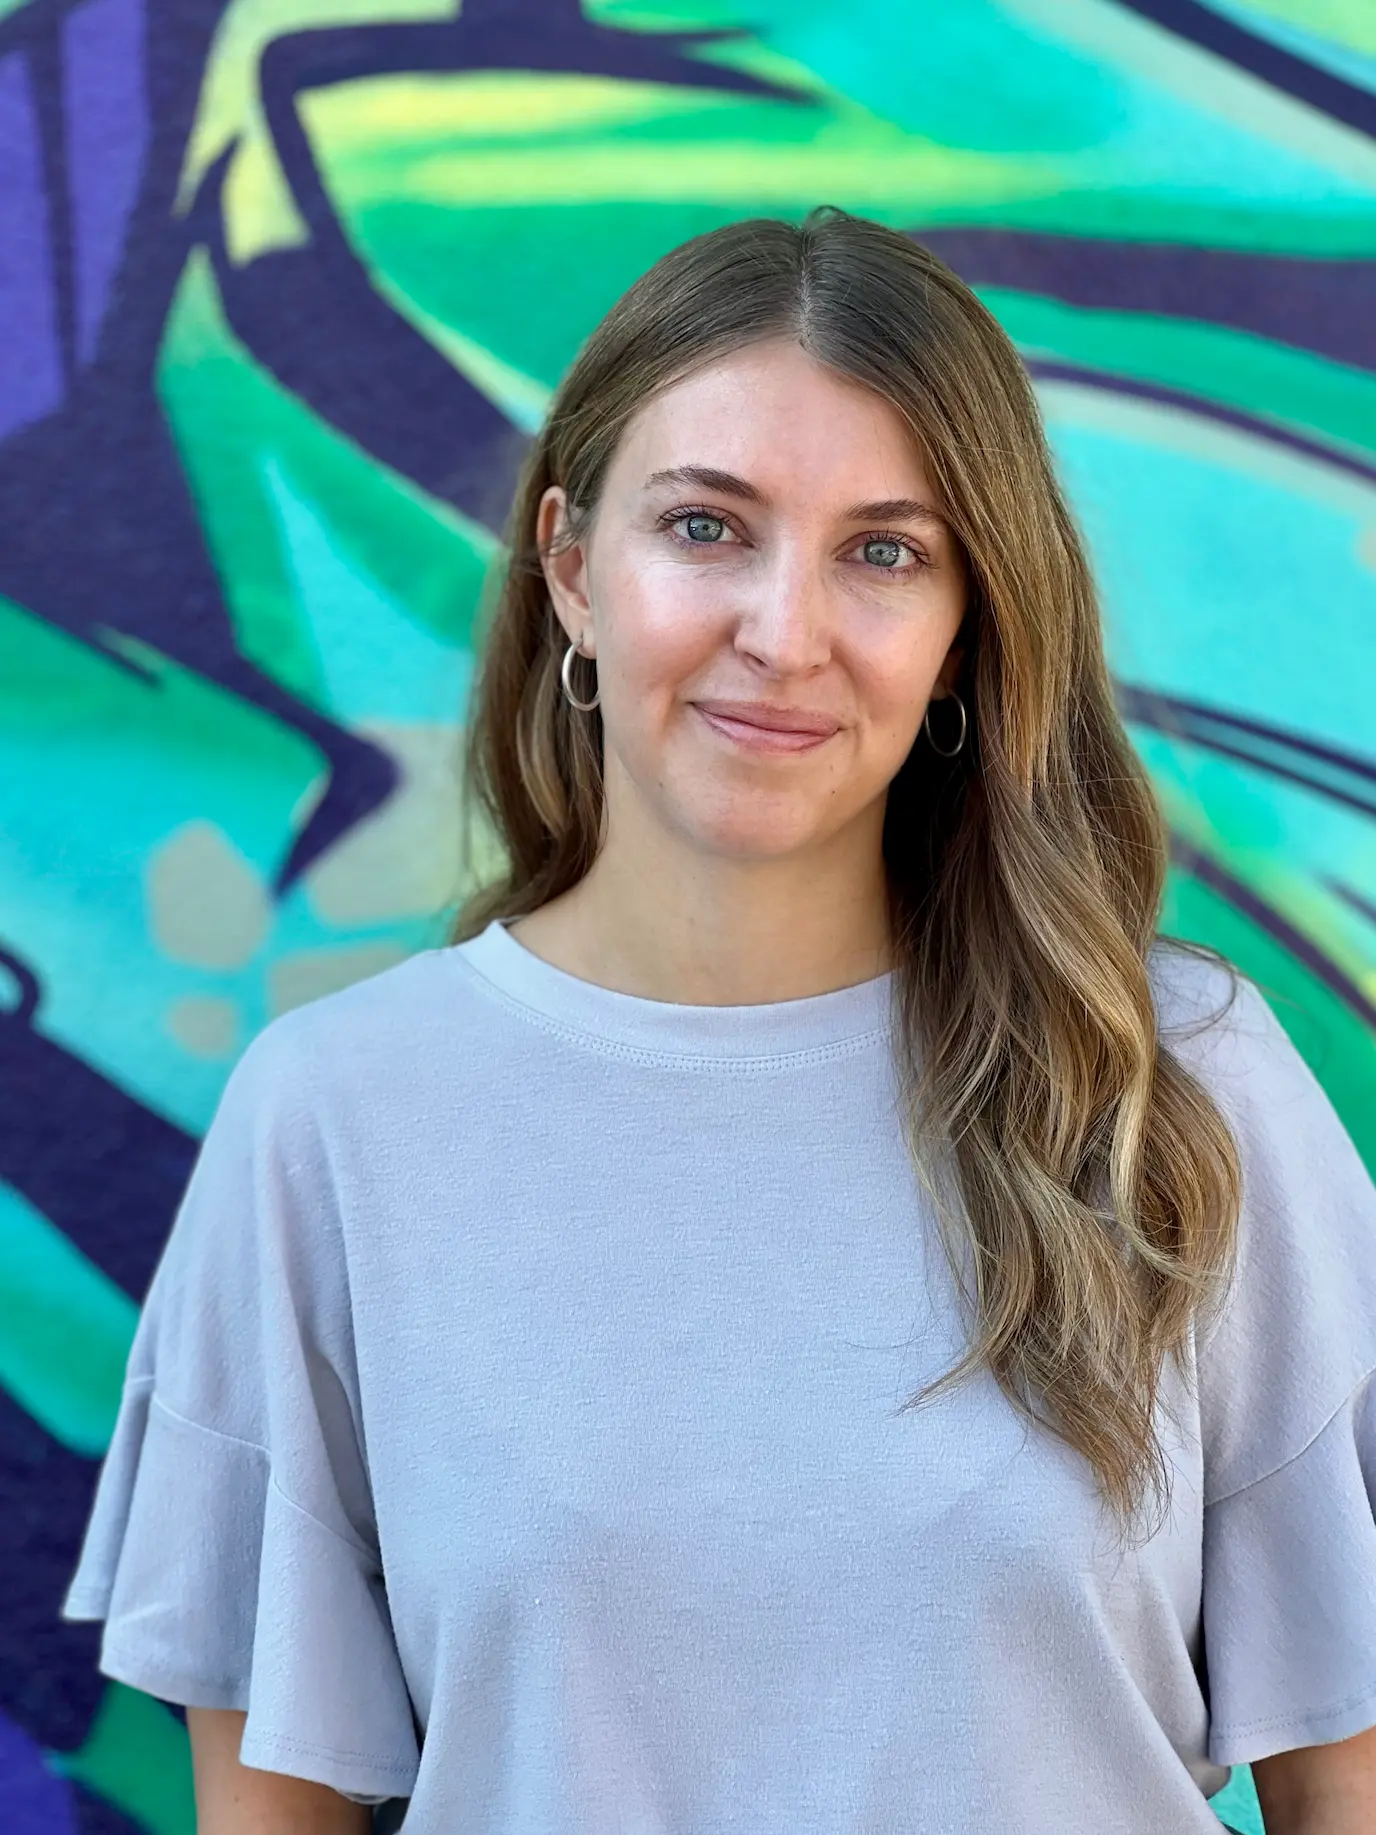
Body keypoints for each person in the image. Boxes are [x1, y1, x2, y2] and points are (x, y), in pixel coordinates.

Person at [62, 207, 1376, 1834]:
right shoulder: (332, 1126)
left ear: (967, 623)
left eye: (884, 551)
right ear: (570, 567)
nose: (784, 631)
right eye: (706, 527)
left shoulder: (1178, 1088)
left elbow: (1356, 1782)